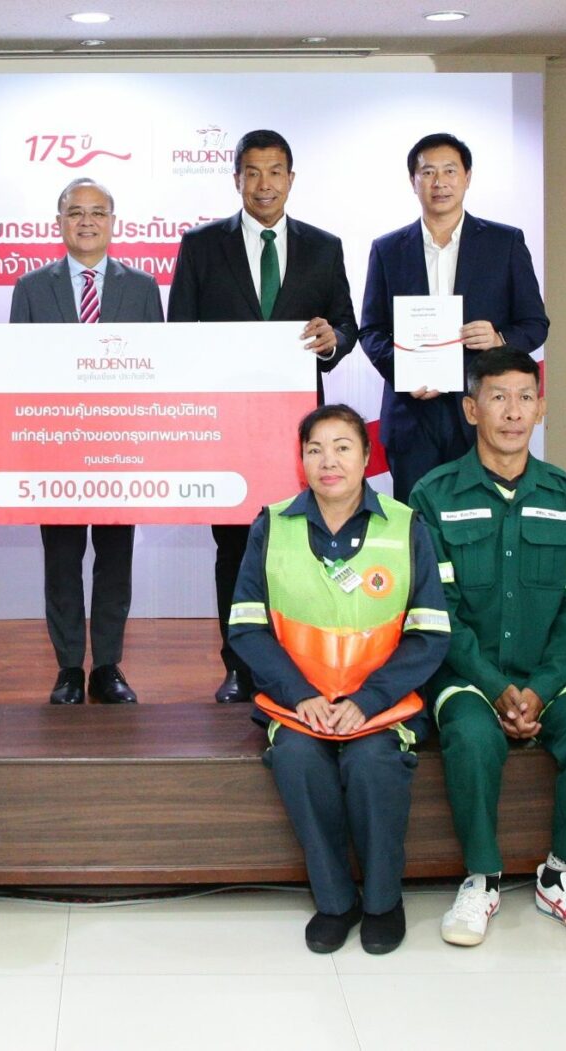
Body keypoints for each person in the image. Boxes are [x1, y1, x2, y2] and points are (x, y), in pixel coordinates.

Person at [409, 347, 566, 948]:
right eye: (498, 397)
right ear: (471, 409)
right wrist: (497, 687)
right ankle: (483, 877)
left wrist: (541, 687)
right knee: (473, 739)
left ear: (541, 408)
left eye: (526, 397)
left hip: (551, 675)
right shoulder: (433, 494)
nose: (513, 411)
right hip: (466, 675)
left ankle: (561, 876)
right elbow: (437, 610)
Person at [229, 405, 450, 954]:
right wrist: (300, 695)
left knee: (373, 764)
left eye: (343, 447)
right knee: (298, 761)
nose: (328, 461)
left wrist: (368, 699)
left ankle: (383, 902)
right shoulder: (271, 526)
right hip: (299, 704)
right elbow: (247, 627)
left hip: (380, 705)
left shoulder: (405, 525)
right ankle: (335, 902)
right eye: (315, 450)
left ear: (367, 456)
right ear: (301, 460)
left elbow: (429, 632)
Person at [169, 128, 357, 704]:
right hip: (226, 426)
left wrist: (331, 339)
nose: (264, 184)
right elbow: (179, 332)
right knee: (233, 548)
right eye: (252, 172)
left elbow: (346, 326)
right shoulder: (202, 246)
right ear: (237, 180)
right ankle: (238, 665)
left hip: (298, 431)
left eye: (275, 172)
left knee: (297, 543)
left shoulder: (324, 247)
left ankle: (297, 659)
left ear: (291, 179)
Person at [9, 178, 164, 705]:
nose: (87, 221)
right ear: (59, 222)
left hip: (121, 448)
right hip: (55, 447)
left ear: (113, 222)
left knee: (115, 561)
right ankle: (70, 668)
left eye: (98, 212)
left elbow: (158, 369)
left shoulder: (142, 287)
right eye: (75, 212)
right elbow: (17, 372)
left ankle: (109, 667)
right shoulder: (32, 288)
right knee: (62, 561)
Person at [360, 133, 549, 503]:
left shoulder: (504, 243)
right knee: (417, 522)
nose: (439, 182)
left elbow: (535, 324)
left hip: (483, 409)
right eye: (428, 172)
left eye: (449, 171)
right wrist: (405, 369)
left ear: (467, 177)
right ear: (413, 181)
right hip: (412, 414)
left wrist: (499, 339)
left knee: (483, 517)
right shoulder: (388, 249)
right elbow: (371, 330)